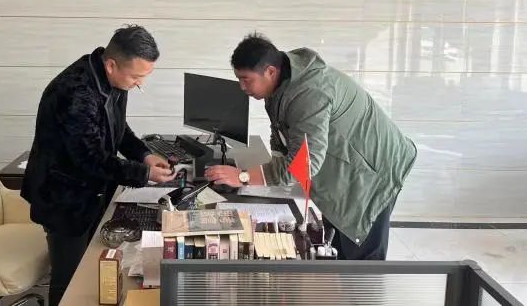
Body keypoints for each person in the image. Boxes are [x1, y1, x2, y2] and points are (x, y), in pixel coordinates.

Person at [205, 33, 417, 260]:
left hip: (373, 172)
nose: (242, 87)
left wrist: (243, 177)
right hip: (344, 165)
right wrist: (272, 173)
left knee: (360, 259)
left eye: (246, 80)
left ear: (270, 72)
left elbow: (304, 165)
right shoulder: (282, 80)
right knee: (335, 244)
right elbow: (282, 132)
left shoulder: (310, 93)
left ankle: (356, 281)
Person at [21, 25, 176, 306]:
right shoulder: (74, 92)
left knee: (93, 271)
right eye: (136, 76)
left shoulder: (113, 81)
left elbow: (119, 129)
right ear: (111, 65)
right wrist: (144, 174)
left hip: (92, 191)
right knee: (69, 281)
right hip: (64, 199)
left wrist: (144, 155)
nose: (139, 83)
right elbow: (89, 158)